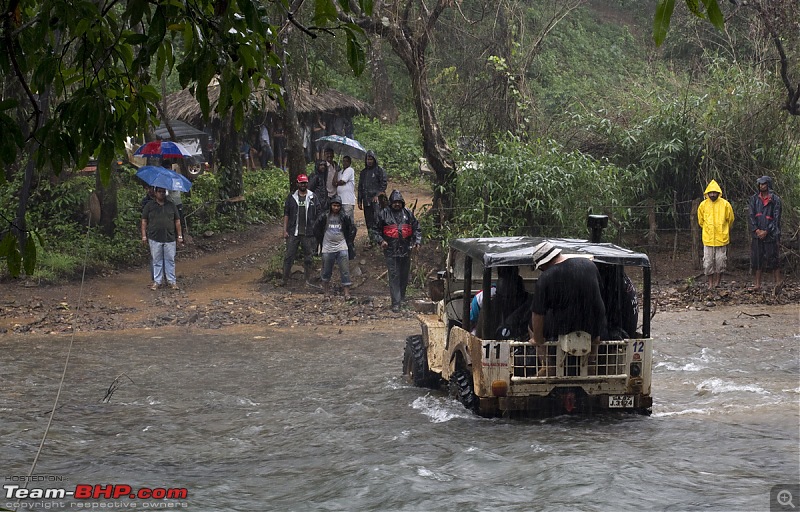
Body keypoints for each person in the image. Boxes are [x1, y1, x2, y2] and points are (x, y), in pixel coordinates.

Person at [528, 241, 606, 345]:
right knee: (596, 321)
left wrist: (537, 339)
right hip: (595, 327)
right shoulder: (589, 264)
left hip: (565, 328)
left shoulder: (545, 278)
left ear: (543, 265)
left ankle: (546, 360)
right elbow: (600, 293)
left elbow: (537, 313)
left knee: (531, 325)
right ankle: (592, 358)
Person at [372, 190, 422, 313]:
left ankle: (402, 298)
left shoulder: (408, 214)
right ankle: (396, 303)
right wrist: (381, 241)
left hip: (406, 249)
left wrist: (417, 241)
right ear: (391, 202)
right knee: (394, 276)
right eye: (395, 202)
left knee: (404, 275)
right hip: (390, 250)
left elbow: (417, 228)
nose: (397, 204)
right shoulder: (383, 214)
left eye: (399, 202)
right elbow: (375, 231)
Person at [313, 195, 356, 299]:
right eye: (334, 205)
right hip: (328, 247)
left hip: (342, 246)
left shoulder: (344, 216)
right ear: (330, 205)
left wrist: (349, 241)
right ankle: (326, 292)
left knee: (345, 270)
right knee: (326, 270)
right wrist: (321, 240)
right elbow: (316, 228)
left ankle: (346, 293)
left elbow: (352, 229)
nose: (336, 208)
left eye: (338, 206)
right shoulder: (324, 216)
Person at [141, 186, 184, 290]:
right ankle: (157, 281)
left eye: (163, 191)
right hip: (154, 237)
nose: (161, 193)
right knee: (157, 260)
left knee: (170, 260)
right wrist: (143, 236)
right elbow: (144, 221)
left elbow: (177, 221)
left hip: (169, 237)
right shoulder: (149, 205)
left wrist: (179, 235)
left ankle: (171, 281)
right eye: (159, 191)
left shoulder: (171, 205)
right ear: (155, 193)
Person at [282, 174, 320, 286]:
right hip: (294, 231)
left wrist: (316, 230)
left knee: (309, 257)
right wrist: (285, 230)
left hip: (308, 233)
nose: (303, 185)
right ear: (297, 183)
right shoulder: (291, 198)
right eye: (301, 183)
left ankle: (307, 280)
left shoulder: (313, 197)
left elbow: (318, 214)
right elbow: (286, 215)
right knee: (289, 256)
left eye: (305, 183)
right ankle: (284, 280)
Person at [697, 179, 734, 289]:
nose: (713, 195)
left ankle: (717, 282)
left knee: (720, 262)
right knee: (708, 262)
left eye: (715, 192)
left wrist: (724, 230)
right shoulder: (703, 205)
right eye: (711, 192)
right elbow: (701, 221)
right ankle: (710, 283)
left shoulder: (725, 205)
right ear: (707, 193)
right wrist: (708, 229)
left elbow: (730, 219)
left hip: (721, 238)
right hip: (708, 239)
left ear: (718, 193)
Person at [748, 175, 783, 293]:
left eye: (763, 184)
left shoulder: (775, 200)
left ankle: (778, 283)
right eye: (760, 184)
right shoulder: (754, 199)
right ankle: (757, 285)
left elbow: (776, 218)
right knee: (757, 259)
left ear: (768, 185)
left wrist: (767, 231)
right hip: (757, 234)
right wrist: (757, 230)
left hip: (771, 234)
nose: (761, 186)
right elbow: (751, 216)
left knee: (773, 258)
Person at [358, 150, 388, 241]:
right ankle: (372, 240)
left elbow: (383, 184)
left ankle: (380, 239)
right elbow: (360, 187)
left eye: (371, 159)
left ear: (374, 159)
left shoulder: (379, 170)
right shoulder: (363, 172)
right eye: (368, 159)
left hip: (377, 200)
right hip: (366, 200)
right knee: (369, 221)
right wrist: (359, 200)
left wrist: (378, 195)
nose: (369, 161)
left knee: (378, 219)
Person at [336, 155, 357, 220]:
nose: (345, 163)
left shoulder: (350, 170)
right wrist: (335, 172)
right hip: (340, 200)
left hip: (347, 201)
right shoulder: (340, 172)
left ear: (349, 163)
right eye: (343, 161)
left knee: (348, 220)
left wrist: (336, 183)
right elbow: (334, 182)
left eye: (346, 161)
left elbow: (342, 182)